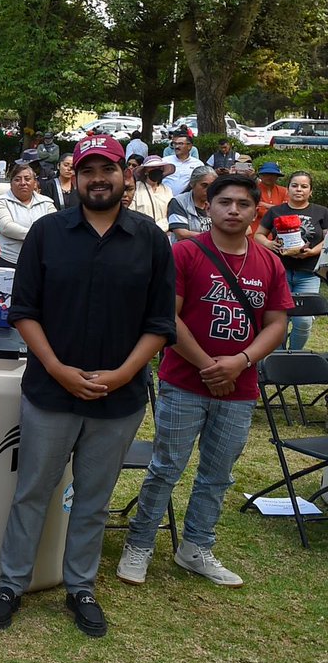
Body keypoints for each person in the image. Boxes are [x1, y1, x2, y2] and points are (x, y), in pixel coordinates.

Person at [0, 135, 175, 639]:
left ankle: (80, 587)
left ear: (123, 176)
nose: (98, 179)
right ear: (74, 177)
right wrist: (59, 369)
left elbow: (160, 322)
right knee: (33, 492)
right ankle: (11, 584)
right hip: (50, 389)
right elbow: (23, 311)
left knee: (93, 495)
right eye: (87, 170)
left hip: (120, 396)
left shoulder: (151, 240)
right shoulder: (47, 232)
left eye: (107, 169)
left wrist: (124, 373)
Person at [118, 175, 291, 589]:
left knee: (218, 472)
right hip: (183, 381)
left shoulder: (269, 263)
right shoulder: (186, 254)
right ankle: (139, 543)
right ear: (207, 207)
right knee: (166, 467)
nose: (234, 210)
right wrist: (208, 367)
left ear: (255, 211)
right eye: (225, 202)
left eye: (243, 204)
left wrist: (240, 362)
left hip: (240, 387)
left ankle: (196, 545)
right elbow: (167, 317)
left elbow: (277, 323)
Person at [256, 170, 328, 350]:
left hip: (309, 273)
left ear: (310, 191)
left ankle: (295, 354)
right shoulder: (276, 211)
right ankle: (278, 356)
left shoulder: (321, 212)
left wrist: (313, 252)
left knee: (303, 320)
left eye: (304, 186)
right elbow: (259, 235)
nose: (299, 190)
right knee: (279, 317)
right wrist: (270, 244)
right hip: (279, 272)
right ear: (287, 189)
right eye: (294, 185)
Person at [0, 163, 56, 268]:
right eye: (17, 179)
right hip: (7, 260)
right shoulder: (1, 202)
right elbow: (6, 227)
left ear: (35, 183)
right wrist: (37, 235)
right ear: (11, 183)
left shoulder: (47, 203)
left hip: (40, 261)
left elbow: (54, 227)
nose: (23, 183)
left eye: (27, 179)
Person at [168, 166, 217, 242]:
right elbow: (181, 234)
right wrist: (213, 237)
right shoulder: (179, 202)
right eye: (204, 185)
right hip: (186, 250)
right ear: (192, 184)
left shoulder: (217, 202)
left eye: (212, 186)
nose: (208, 190)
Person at [129, 155, 176, 233]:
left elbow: (170, 213)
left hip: (164, 233)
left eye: (159, 168)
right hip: (141, 232)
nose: (156, 170)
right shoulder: (135, 188)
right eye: (153, 167)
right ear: (145, 171)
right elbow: (131, 212)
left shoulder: (167, 190)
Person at [252, 161, 287, 235]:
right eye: (266, 174)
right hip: (256, 231)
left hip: (279, 232)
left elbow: (286, 210)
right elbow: (256, 210)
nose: (269, 177)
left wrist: (264, 205)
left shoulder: (284, 191)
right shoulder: (253, 190)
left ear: (277, 176)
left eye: (273, 174)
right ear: (260, 176)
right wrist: (276, 208)